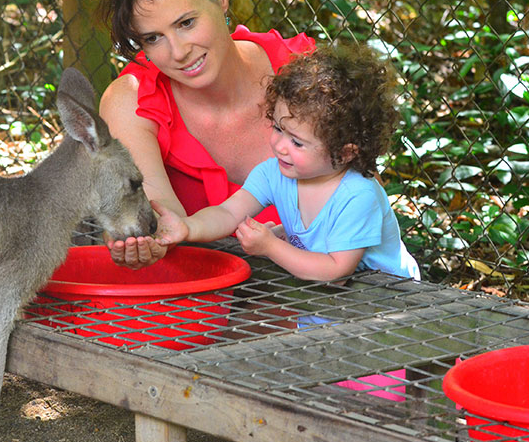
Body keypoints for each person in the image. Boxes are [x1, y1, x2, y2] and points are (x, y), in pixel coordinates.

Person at [98, 0, 315, 268]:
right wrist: (143, 240)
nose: (179, 52)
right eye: (153, 38)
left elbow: (360, 198)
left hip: (326, 293)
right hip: (198, 301)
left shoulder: (303, 73)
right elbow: (159, 222)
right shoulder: (132, 100)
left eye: (186, 23)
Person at [153, 42, 420, 281]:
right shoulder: (275, 174)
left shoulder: (357, 194)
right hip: (326, 302)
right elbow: (228, 213)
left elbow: (336, 271)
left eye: (297, 142)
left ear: (345, 153)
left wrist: (271, 247)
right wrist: (188, 226)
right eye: (279, 129)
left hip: (389, 304)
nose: (279, 146)